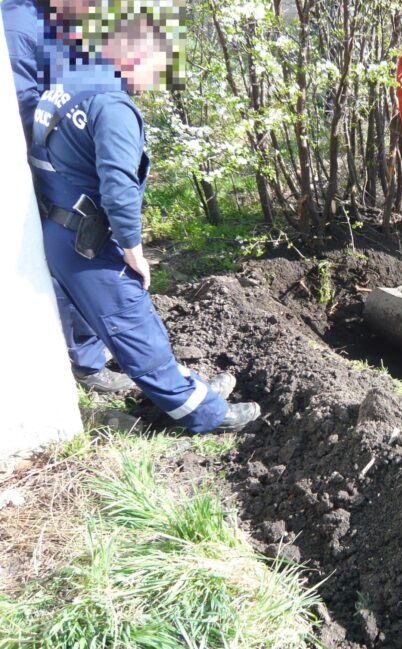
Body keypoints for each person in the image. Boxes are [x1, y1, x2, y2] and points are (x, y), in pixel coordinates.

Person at [29, 16, 261, 432]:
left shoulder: (73, 80)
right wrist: (134, 250)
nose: (154, 82)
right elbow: (118, 185)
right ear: (136, 54)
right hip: (85, 238)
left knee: (87, 315)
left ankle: (94, 371)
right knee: (134, 323)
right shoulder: (113, 105)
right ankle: (205, 415)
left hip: (55, 226)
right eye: (158, 68)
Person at [3, 0, 138, 392]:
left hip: (75, 153)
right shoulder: (16, 27)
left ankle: (101, 343)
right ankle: (88, 363)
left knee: (92, 244)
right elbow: (21, 111)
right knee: (70, 251)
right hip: (50, 163)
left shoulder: (61, 20)